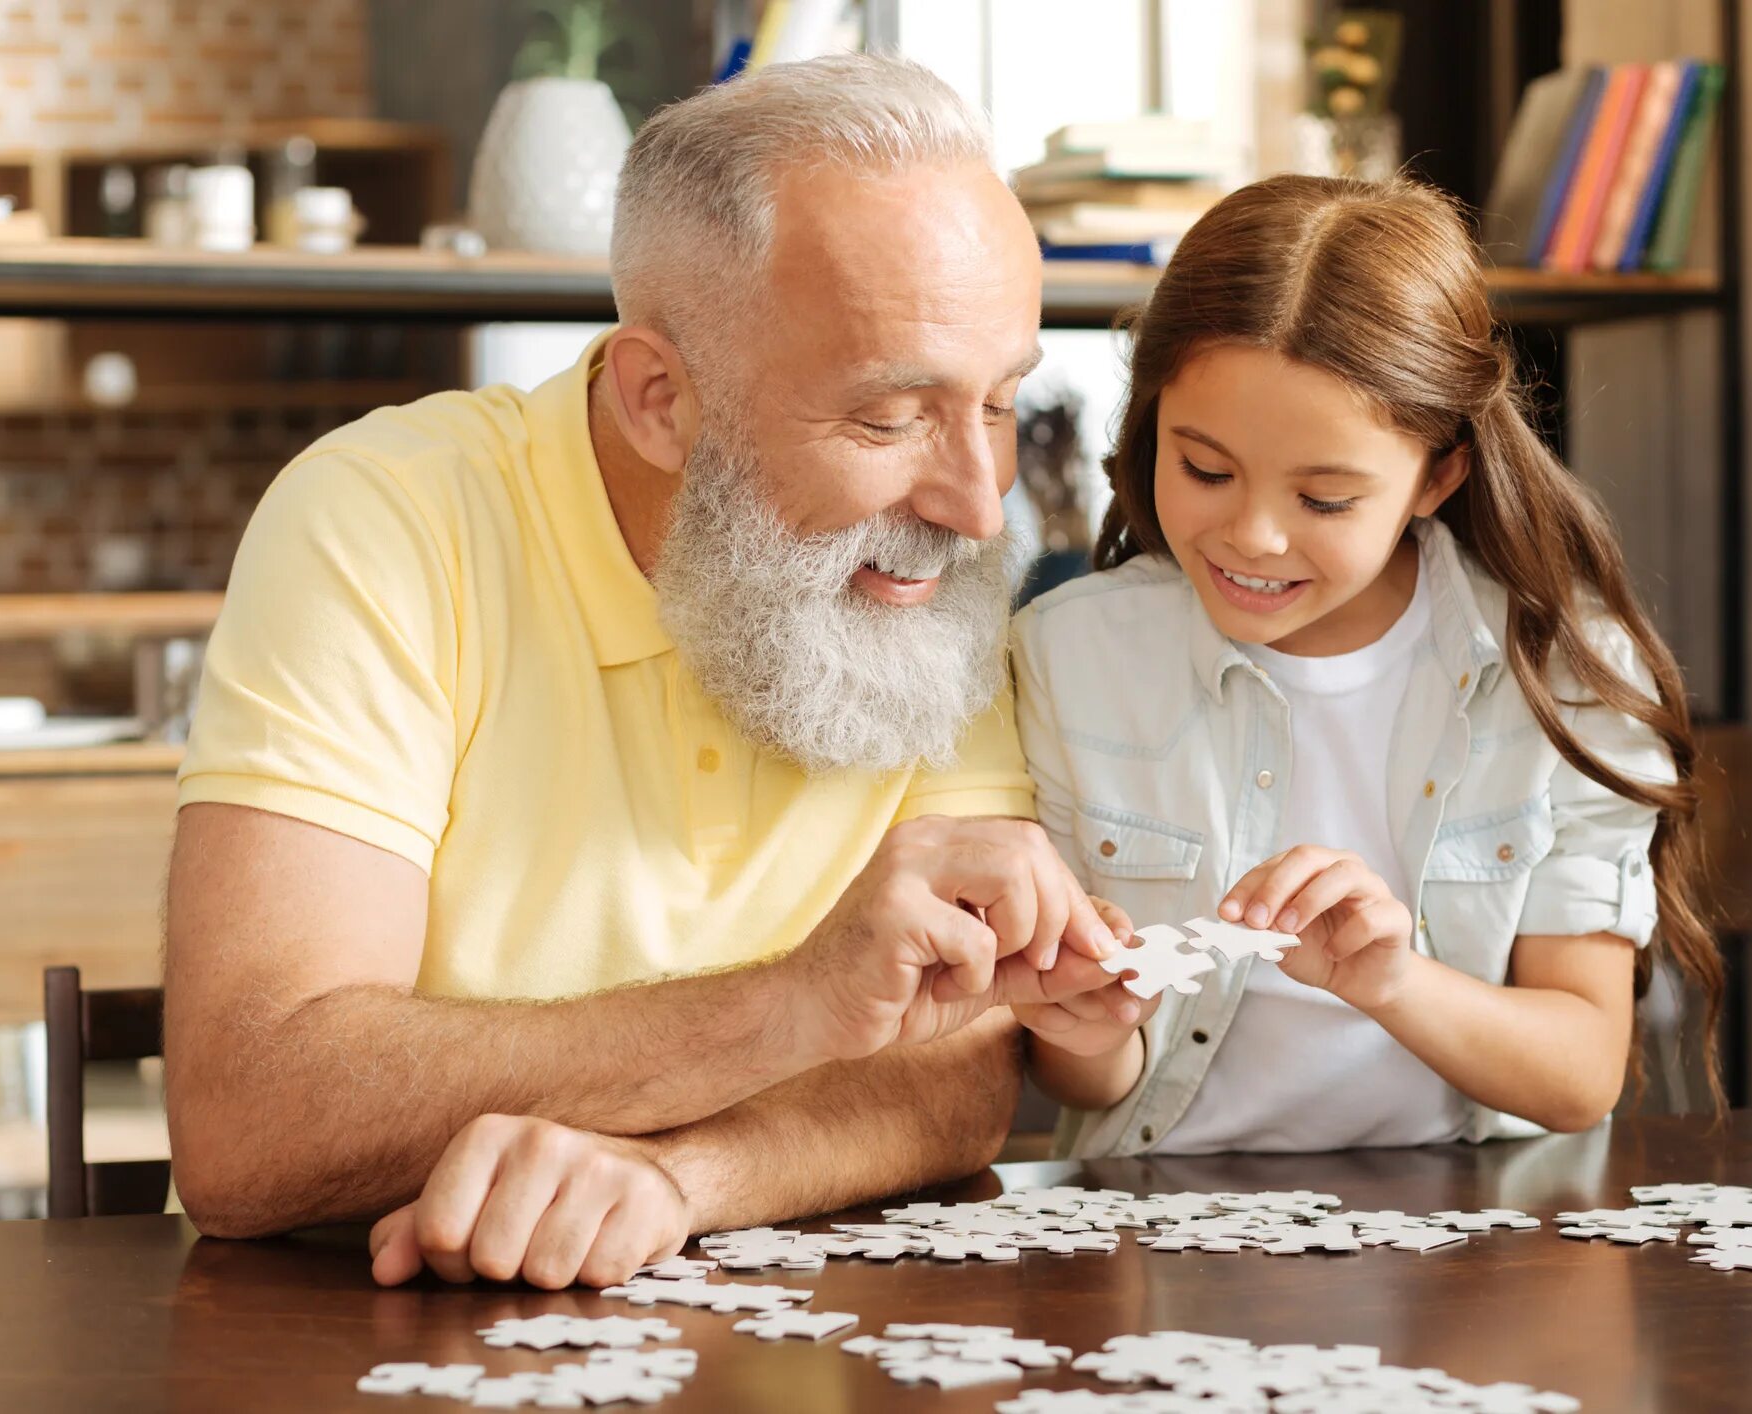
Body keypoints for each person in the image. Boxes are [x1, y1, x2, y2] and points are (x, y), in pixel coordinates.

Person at [163, 53, 1143, 1288]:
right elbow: (249, 1121)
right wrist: (790, 1009)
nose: (980, 504)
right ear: (660, 399)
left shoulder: (921, 571)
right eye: (889, 421)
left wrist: (680, 1183)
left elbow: (959, 1067)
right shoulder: (383, 519)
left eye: (1000, 402)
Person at [1013, 173, 1722, 1157]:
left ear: (1439, 473)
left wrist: (1392, 978)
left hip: (1472, 1245)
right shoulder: (1066, 652)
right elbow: (1082, 1077)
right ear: (1152, 419)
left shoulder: (1566, 671)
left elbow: (1580, 1074)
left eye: (1327, 499)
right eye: (1206, 470)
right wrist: (1087, 1028)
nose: (1252, 536)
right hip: (1155, 1232)